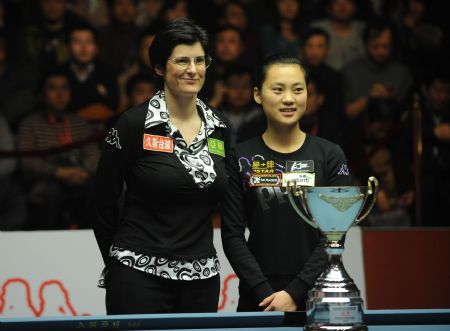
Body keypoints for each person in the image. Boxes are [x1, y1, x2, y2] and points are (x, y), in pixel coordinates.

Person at [91, 18, 229, 314]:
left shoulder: (219, 127)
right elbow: (102, 200)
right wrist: (115, 263)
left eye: (200, 60)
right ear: (159, 68)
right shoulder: (133, 124)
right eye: (182, 60)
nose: (193, 69)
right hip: (137, 273)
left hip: (201, 277)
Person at [221, 54, 351, 312]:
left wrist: (295, 292)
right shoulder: (240, 155)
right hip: (259, 298)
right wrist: (266, 293)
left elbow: (334, 235)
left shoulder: (330, 155)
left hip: (318, 293)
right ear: (258, 94)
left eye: (298, 90)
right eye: (278, 90)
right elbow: (232, 235)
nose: (289, 99)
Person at [16, 69, 100, 230]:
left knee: (98, 189)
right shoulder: (30, 124)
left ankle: (94, 242)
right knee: (51, 193)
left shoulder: (80, 123)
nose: (60, 94)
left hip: (80, 176)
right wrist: (58, 172)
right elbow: (26, 160)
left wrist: (83, 172)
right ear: (41, 94)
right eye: (53, 88)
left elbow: (94, 155)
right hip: (46, 180)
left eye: (64, 88)